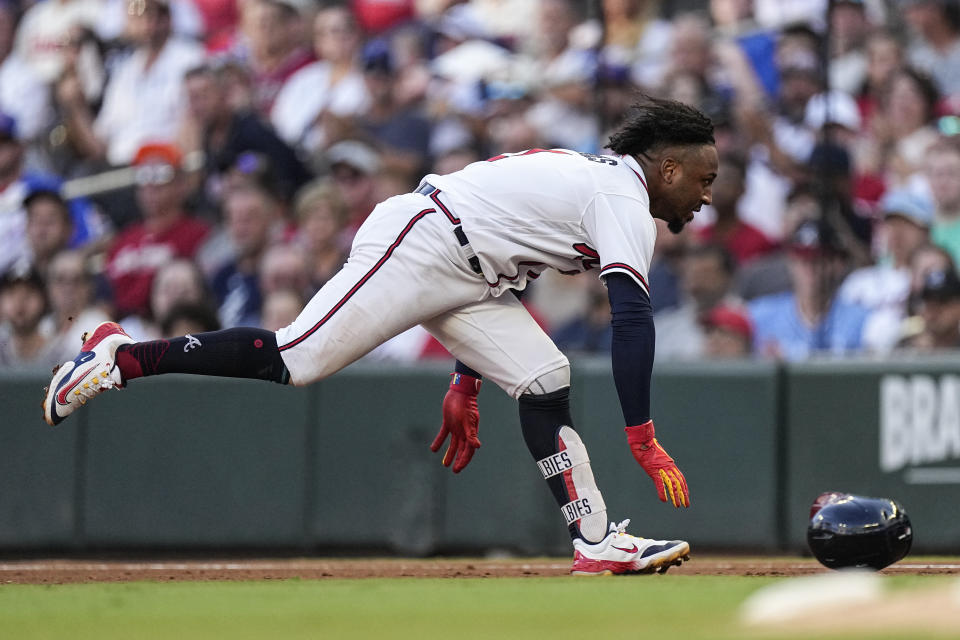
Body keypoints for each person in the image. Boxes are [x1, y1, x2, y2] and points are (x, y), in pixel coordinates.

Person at [43, 96, 718, 576]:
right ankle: (122, 356)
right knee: (297, 357)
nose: (706, 193)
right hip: (423, 240)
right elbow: (631, 318)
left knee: (545, 379)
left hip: (465, 264)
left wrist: (465, 377)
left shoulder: (608, 187)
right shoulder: (622, 199)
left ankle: (595, 540)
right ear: (665, 168)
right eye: (702, 176)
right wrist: (642, 437)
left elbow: (501, 249)